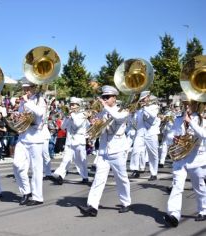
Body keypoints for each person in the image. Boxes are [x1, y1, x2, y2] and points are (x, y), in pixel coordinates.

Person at [77, 85, 131, 216]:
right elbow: (99, 130)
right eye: (103, 97)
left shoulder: (123, 111)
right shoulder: (102, 112)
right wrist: (93, 125)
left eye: (107, 97)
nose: (104, 99)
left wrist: (105, 107)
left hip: (118, 150)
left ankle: (126, 202)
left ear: (114, 98)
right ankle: (92, 206)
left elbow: (117, 118)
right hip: (103, 151)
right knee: (98, 178)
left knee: (121, 178)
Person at [164, 99, 206, 227]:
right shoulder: (178, 119)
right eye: (185, 104)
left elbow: (204, 135)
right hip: (180, 159)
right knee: (177, 186)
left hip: (197, 159)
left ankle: (203, 210)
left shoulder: (202, 120)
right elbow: (169, 136)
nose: (186, 106)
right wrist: (174, 138)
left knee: (199, 187)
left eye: (189, 104)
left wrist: (190, 123)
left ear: (196, 105)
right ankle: (174, 214)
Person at [13, 82, 46, 206]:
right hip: (23, 136)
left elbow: (40, 113)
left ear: (34, 88)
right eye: (24, 89)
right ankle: (26, 192)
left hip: (35, 138)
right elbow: (23, 115)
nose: (25, 91)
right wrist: (17, 116)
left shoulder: (40, 99)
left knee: (36, 169)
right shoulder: (23, 101)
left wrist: (27, 102)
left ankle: (37, 197)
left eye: (27, 89)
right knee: (17, 165)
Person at [52, 97, 89, 185]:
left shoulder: (83, 114)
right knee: (66, 160)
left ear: (78, 106)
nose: (71, 106)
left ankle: (85, 177)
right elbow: (63, 127)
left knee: (80, 161)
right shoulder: (69, 115)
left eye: (73, 105)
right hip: (69, 141)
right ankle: (60, 175)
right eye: (71, 105)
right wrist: (67, 118)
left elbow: (77, 125)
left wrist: (71, 115)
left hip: (79, 141)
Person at [129, 91, 160, 180]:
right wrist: (132, 114)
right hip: (140, 133)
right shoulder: (139, 110)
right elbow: (134, 122)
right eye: (141, 99)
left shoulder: (154, 107)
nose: (142, 100)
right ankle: (135, 170)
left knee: (153, 154)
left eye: (144, 98)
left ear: (148, 98)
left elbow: (153, 116)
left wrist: (144, 107)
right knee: (135, 150)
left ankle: (154, 173)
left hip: (151, 133)